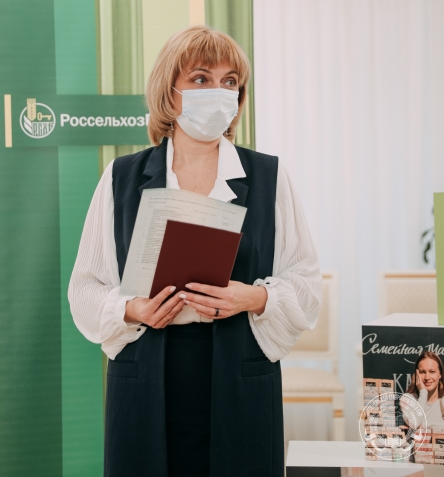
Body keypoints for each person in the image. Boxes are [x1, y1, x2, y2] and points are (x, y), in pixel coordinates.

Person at [68, 26, 322, 477]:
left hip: (240, 373)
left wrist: (255, 297)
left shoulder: (269, 176)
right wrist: (133, 308)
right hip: (146, 373)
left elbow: (306, 282)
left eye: (229, 82)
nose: (218, 92)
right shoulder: (121, 177)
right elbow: (85, 289)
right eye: (201, 79)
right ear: (169, 91)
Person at [401, 351, 444, 431]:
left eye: (432, 372)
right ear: (416, 374)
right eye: (422, 372)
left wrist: (424, 425)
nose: (427, 377)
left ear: (440, 374)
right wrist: (423, 391)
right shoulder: (408, 399)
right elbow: (415, 423)